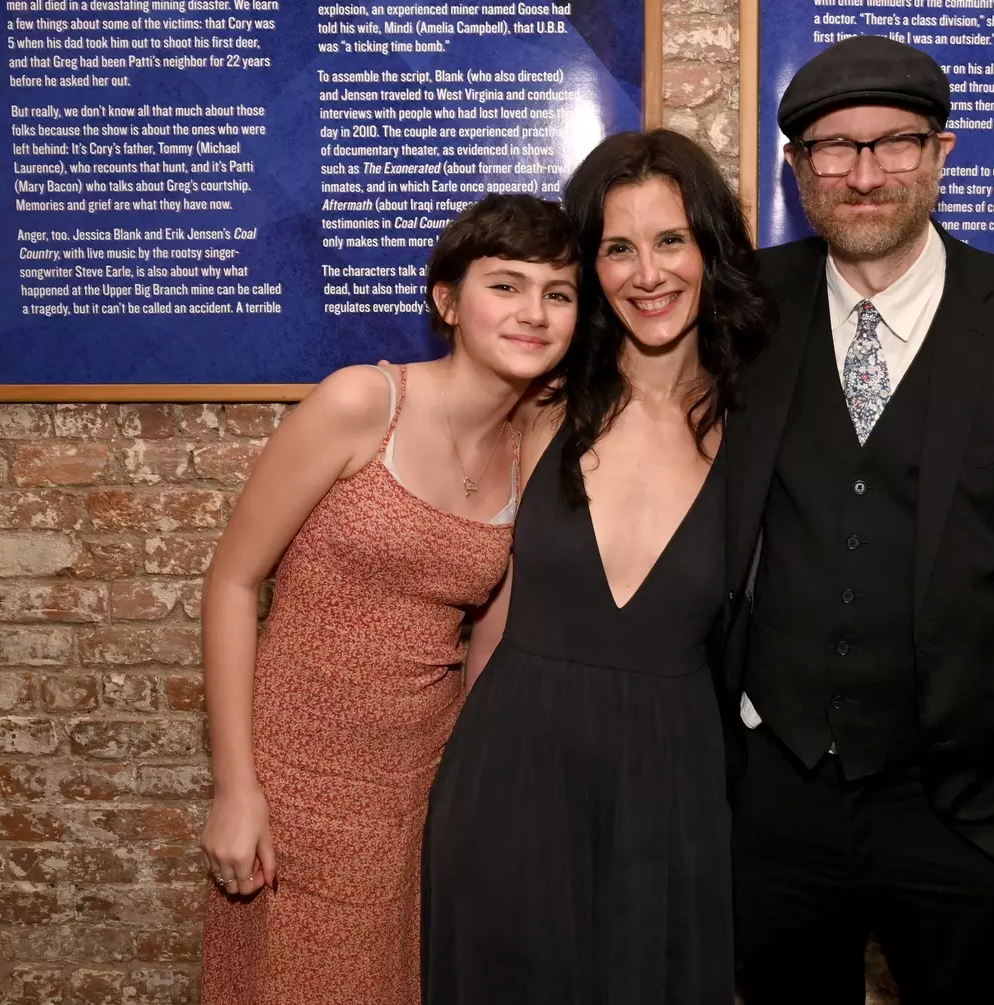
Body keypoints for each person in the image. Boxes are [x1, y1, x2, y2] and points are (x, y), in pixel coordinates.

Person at [721, 36, 994, 1004]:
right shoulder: (744, 310)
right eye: (835, 148)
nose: (865, 173)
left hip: (969, 808)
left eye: (895, 143)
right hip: (775, 800)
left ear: (941, 152)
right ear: (797, 167)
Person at [199, 194, 581, 1005]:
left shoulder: (532, 447)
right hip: (296, 780)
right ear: (448, 300)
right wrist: (236, 789)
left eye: (559, 292)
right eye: (506, 285)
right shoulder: (362, 403)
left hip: (420, 786)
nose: (535, 312)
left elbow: (492, 634)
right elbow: (231, 582)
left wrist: (475, 786)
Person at [421, 129, 767, 1004]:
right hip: (513, 774)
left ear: (709, 248)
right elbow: (469, 588)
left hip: (672, 788)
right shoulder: (539, 405)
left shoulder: (758, 422)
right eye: (618, 248)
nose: (648, 274)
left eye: (671, 240)